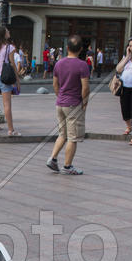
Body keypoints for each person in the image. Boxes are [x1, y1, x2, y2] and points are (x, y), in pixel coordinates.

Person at [46, 34, 89, 176]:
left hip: (60, 103)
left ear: (67, 47)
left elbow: (55, 84)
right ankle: (67, 166)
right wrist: (84, 103)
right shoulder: (82, 65)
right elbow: (85, 88)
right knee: (72, 137)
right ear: (81, 49)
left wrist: (60, 96)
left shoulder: (59, 63)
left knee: (62, 134)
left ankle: (52, 158)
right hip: (73, 104)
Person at [0, 26, 22, 137]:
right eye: (7, 31)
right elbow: (12, 64)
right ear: (4, 34)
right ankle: (11, 130)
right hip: (4, 76)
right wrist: (17, 79)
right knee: (7, 104)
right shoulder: (9, 47)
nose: (9, 32)